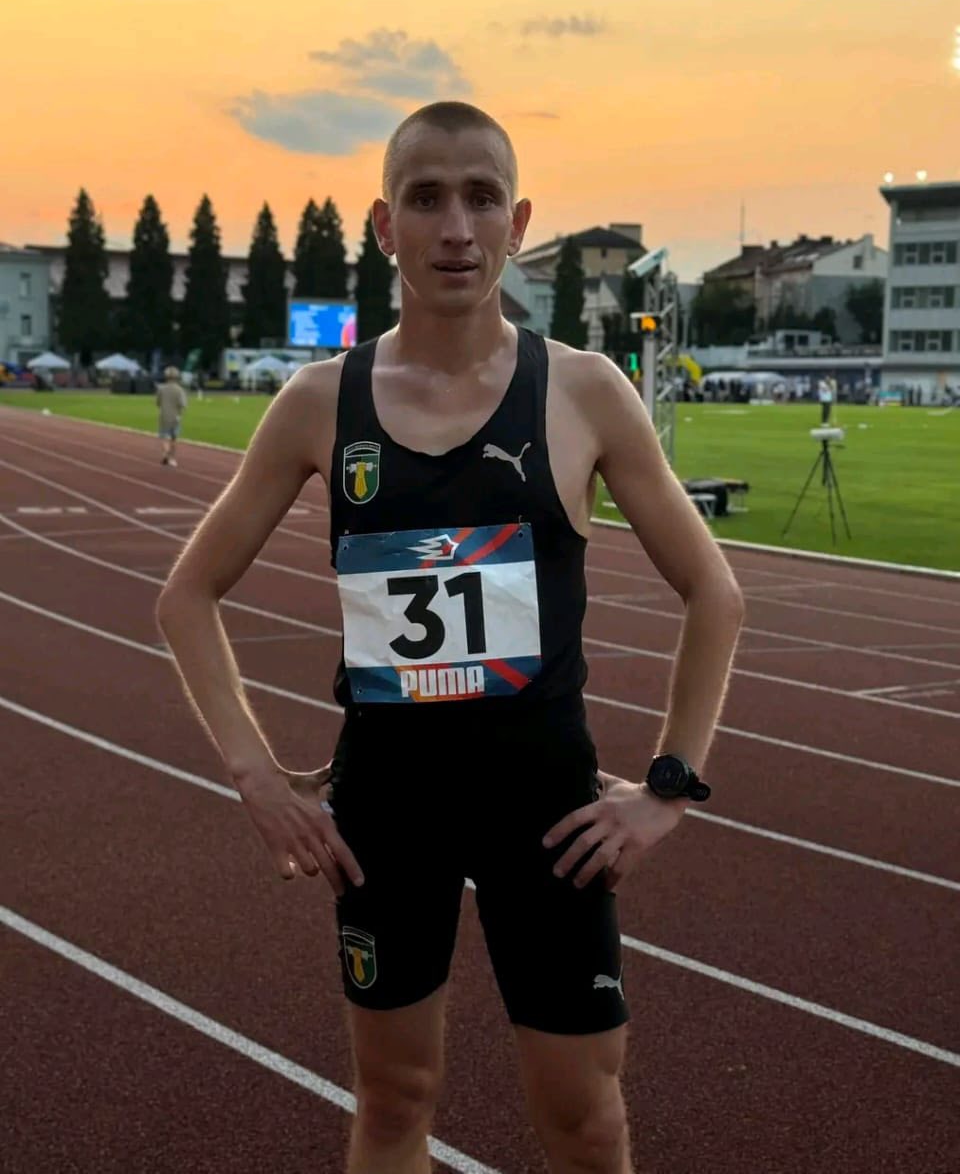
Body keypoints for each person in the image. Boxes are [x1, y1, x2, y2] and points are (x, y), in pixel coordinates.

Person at [156, 100, 745, 1174]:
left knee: (587, 1116)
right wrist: (255, 777)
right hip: (389, 810)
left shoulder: (584, 391)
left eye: (481, 198)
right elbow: (187, 594)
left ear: (518, 222)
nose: (457, 228)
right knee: (393, 1101)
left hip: (547, 812)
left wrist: (668, 785)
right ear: (386, 225)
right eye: (426, 199)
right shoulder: (319, 402)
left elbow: (715, 591)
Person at [156, 365, 188, 466]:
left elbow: (158, 403)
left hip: (164, 416)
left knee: (165, 437)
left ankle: (165, 453)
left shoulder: (161, 389)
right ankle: (172, 458)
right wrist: (179, 413)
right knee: (174, 438)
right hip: (176, 417)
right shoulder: (180, 390)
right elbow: (183, 405)